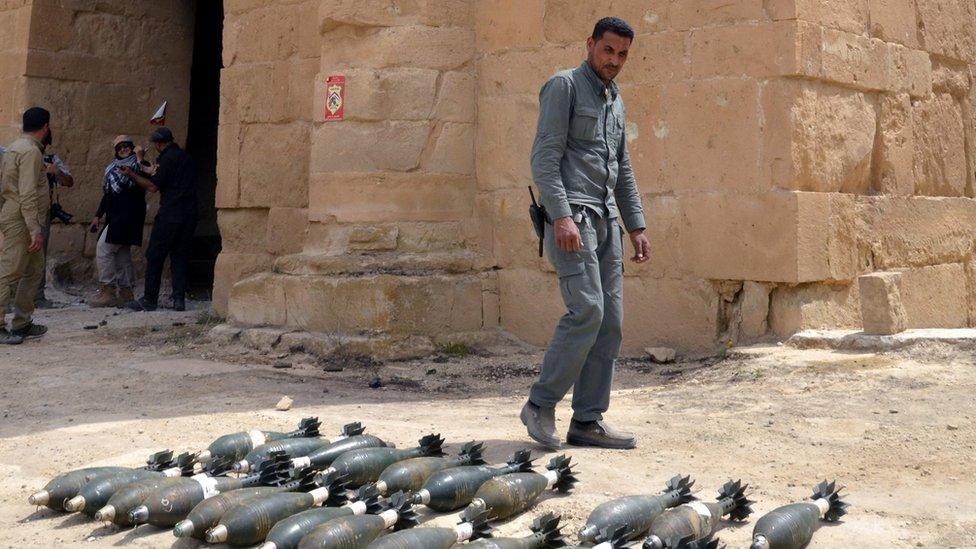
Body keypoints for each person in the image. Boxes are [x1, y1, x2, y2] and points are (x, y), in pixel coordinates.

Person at [521, 17, 651, 450]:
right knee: (588, 311)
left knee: (610, 322)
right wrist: (560, 216)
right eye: (608, 50)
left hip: (606, 222)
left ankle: (587, 420)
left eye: (622, 55)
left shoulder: (615, 99)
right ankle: (540, 405)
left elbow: (623, 169)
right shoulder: (564, 87)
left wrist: (636, 226)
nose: (614, 61)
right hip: (572, 220)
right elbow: (544, 158)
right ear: (591, 43)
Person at [120, 127, 197, 312]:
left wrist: (131, 174)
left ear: (160, 144)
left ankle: (149, 299)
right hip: (189, 215)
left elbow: (153, 185)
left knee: (155, 255)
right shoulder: (184, 157)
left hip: (170, 214)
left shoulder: (167, 158)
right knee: (179, 256)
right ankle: (179, 300)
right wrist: (140, 161)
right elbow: (156, 172)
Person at [0, 107, 55, 343]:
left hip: (17, 214)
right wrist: (35, 229)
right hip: (22, 219)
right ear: (45, 127)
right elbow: (28, 193)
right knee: (9, 272)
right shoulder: (31, 152)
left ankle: (22, 323)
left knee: (33, 270)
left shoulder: (15, 147)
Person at [88, 135, 146, 308]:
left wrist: (139, 158)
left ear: (132, 147)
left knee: (103, 248)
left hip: (128, 216)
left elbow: (147, 177)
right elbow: (109, 194)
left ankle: (108, 290)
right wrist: (98, 215)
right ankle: (126, 292)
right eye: (119, 147)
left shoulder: (139, 164)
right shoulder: (113, 168)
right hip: (116, 216)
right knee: (121, 254)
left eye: (126, 146)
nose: (123, 149)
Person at [35, 130, 74, 308]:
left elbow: (68, 181)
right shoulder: (20, 153)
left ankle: (37, 296)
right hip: (19, 214)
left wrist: (55, 171)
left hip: (42, 214)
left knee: (39, 256)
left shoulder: (51, 159)